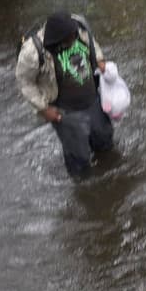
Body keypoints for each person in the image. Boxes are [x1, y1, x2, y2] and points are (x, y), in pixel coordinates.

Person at [16, 11, 114, 176]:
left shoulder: (78, 28)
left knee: (105, 142)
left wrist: (99, 60)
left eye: (74, 36)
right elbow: (24, 82)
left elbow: (91, 42)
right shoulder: (33, 52)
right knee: (79, 159)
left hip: (93, 101)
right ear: (57, 40)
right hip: (65, 112)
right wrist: (44, 109)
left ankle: (109, 175)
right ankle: (85, 189)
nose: (74, 40)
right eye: (69, 40)